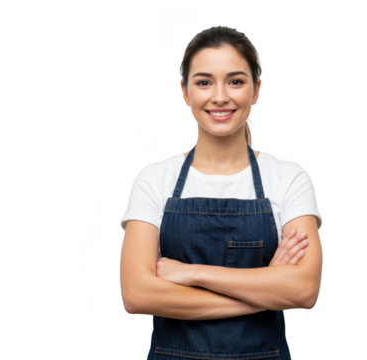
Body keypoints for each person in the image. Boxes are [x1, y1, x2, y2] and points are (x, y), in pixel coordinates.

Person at [119, 25, 324, 359]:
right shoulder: (154, 178)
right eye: (203, 82)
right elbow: (138, 295)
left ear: (256, 90)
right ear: (185, 92)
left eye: (236, 81)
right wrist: (267, 285)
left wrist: (190, 273)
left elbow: (303, 290)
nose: (219, 96)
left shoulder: (288, 177)